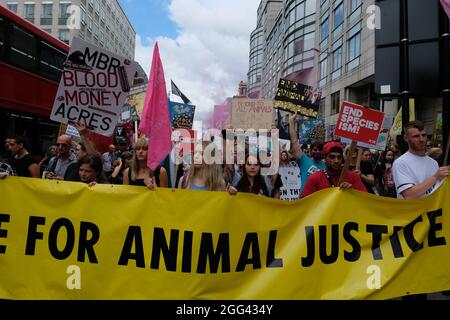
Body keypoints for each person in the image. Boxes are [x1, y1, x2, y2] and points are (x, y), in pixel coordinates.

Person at [393, 121, 448, 200]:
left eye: (424, 135)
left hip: (431, 210)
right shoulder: (400, 163)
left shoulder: (433, 162)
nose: (421, 139)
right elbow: (409, 195)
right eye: (416, 136)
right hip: (412, 211)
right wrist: (436, 177)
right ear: (406, 138)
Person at [301, 141, 367, 198]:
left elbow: (364, 200)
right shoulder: (315, 178)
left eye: (339, 157)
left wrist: (352, 191)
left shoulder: (353, 177)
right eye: (332, 157)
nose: (336, 161)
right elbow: (305, 203)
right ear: (324, 158)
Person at [288, 113, 326, 195]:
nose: (317, 152)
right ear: (310, 150)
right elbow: (294, 142)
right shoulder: (304, 160)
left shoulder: (327, 166)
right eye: (315, 149)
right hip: (304, 200)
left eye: (320, 150)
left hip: (321, 202)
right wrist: (291, 122)